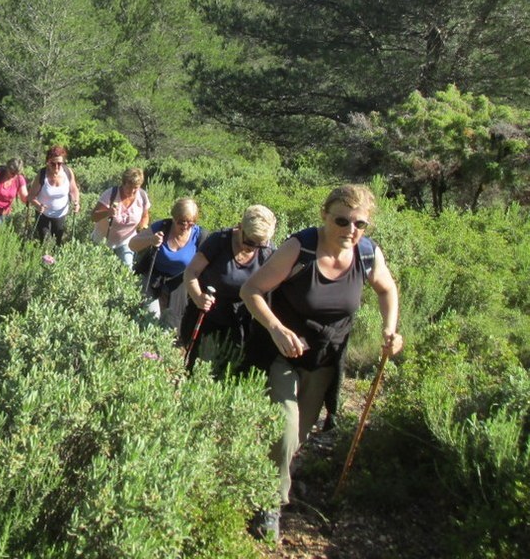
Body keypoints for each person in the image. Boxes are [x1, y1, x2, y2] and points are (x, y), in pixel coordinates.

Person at [239, 185, 403, 542]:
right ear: (325, 215)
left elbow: (387, 289)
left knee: (298, 435)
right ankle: (270, 504)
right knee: (285, 426)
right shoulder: (301, 249)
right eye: (342, 220)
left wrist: (391, 330)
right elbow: (250, 290)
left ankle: (263, 473)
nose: (351, 230)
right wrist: (277, 328)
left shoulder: (367, 255)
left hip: (326, 357)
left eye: (359, 223)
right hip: (282, 352)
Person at [182, 204, 277, 370]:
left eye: (259, 245)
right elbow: (191, 272)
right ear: (240, 227)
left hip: (240, 322)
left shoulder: (268, 252)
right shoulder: (219, 241)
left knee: (229, 370)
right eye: (249, 241)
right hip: (208, 314)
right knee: (200, 367)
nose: (252, 247)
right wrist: (198, 297)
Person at [128, 198, 206, 331]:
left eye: (191, 223)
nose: (185, 227)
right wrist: (151, 240)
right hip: (153, 278)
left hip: (179, 283)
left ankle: (160, 350)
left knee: (171, 326)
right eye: (181, 222)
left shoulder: (200, 236)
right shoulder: (162, 226)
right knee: (150, 320)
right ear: (174, 217)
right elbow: (132, 244)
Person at [90, 167, 151, 269]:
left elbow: (145, 216)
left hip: (126, 241)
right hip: (102, 241)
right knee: (99, 271)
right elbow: (94, 216)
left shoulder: (142, 196)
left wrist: (143, 227)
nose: (132, 191)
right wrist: (107, 212)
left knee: (126, 271)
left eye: (136, 187)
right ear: (123, 183)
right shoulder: (111, 194)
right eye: (129, 186)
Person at [28, 145, 81, 243]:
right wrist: (38, 205)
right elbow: (31, 196)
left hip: (60, 214)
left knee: (58, 241)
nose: (57, 166)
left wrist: (76, 203)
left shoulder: (67, 172)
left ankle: (55, 257)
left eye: (60, 163)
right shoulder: (42, 174)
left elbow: (73, 190)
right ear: (48, 162)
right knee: (45, 242)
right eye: (53, 163)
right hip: (43, 213)